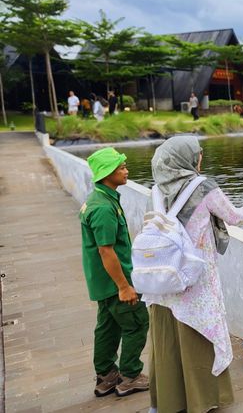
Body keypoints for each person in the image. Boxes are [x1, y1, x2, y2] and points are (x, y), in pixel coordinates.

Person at [146, 136, 243, 412]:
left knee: (167, 343)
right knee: (198, 336)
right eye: (198, 154)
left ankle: (168, 401)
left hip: (163, 280)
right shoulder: (203, 187)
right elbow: (235, 216)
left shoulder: (155, 191)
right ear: (188, 158)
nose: (200, 158)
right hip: (195, 279)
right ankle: (201, 400)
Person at [80, 147, 150, 398]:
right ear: (108, 173)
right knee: (136, 323)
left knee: (107, 327)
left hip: (103, 282)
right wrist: (124, 286)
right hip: (113, 282)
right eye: (121, 167)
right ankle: (130, 376)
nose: (126, 170)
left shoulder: (101, 199)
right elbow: (106, 251)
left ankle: (106, 376)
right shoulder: (103, 208)